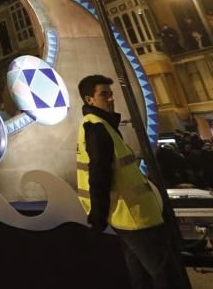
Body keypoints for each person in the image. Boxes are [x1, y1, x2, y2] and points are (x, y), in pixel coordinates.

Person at [76, 75, 183, 288]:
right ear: (89, 100)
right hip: (135, 217)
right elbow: (99, 173)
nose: (111, 99)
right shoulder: (97, 127)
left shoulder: (100, 125)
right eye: (104, 94)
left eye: (111, 94)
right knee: (164, 274)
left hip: (129, 214)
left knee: (141, 276)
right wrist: (98, 216)